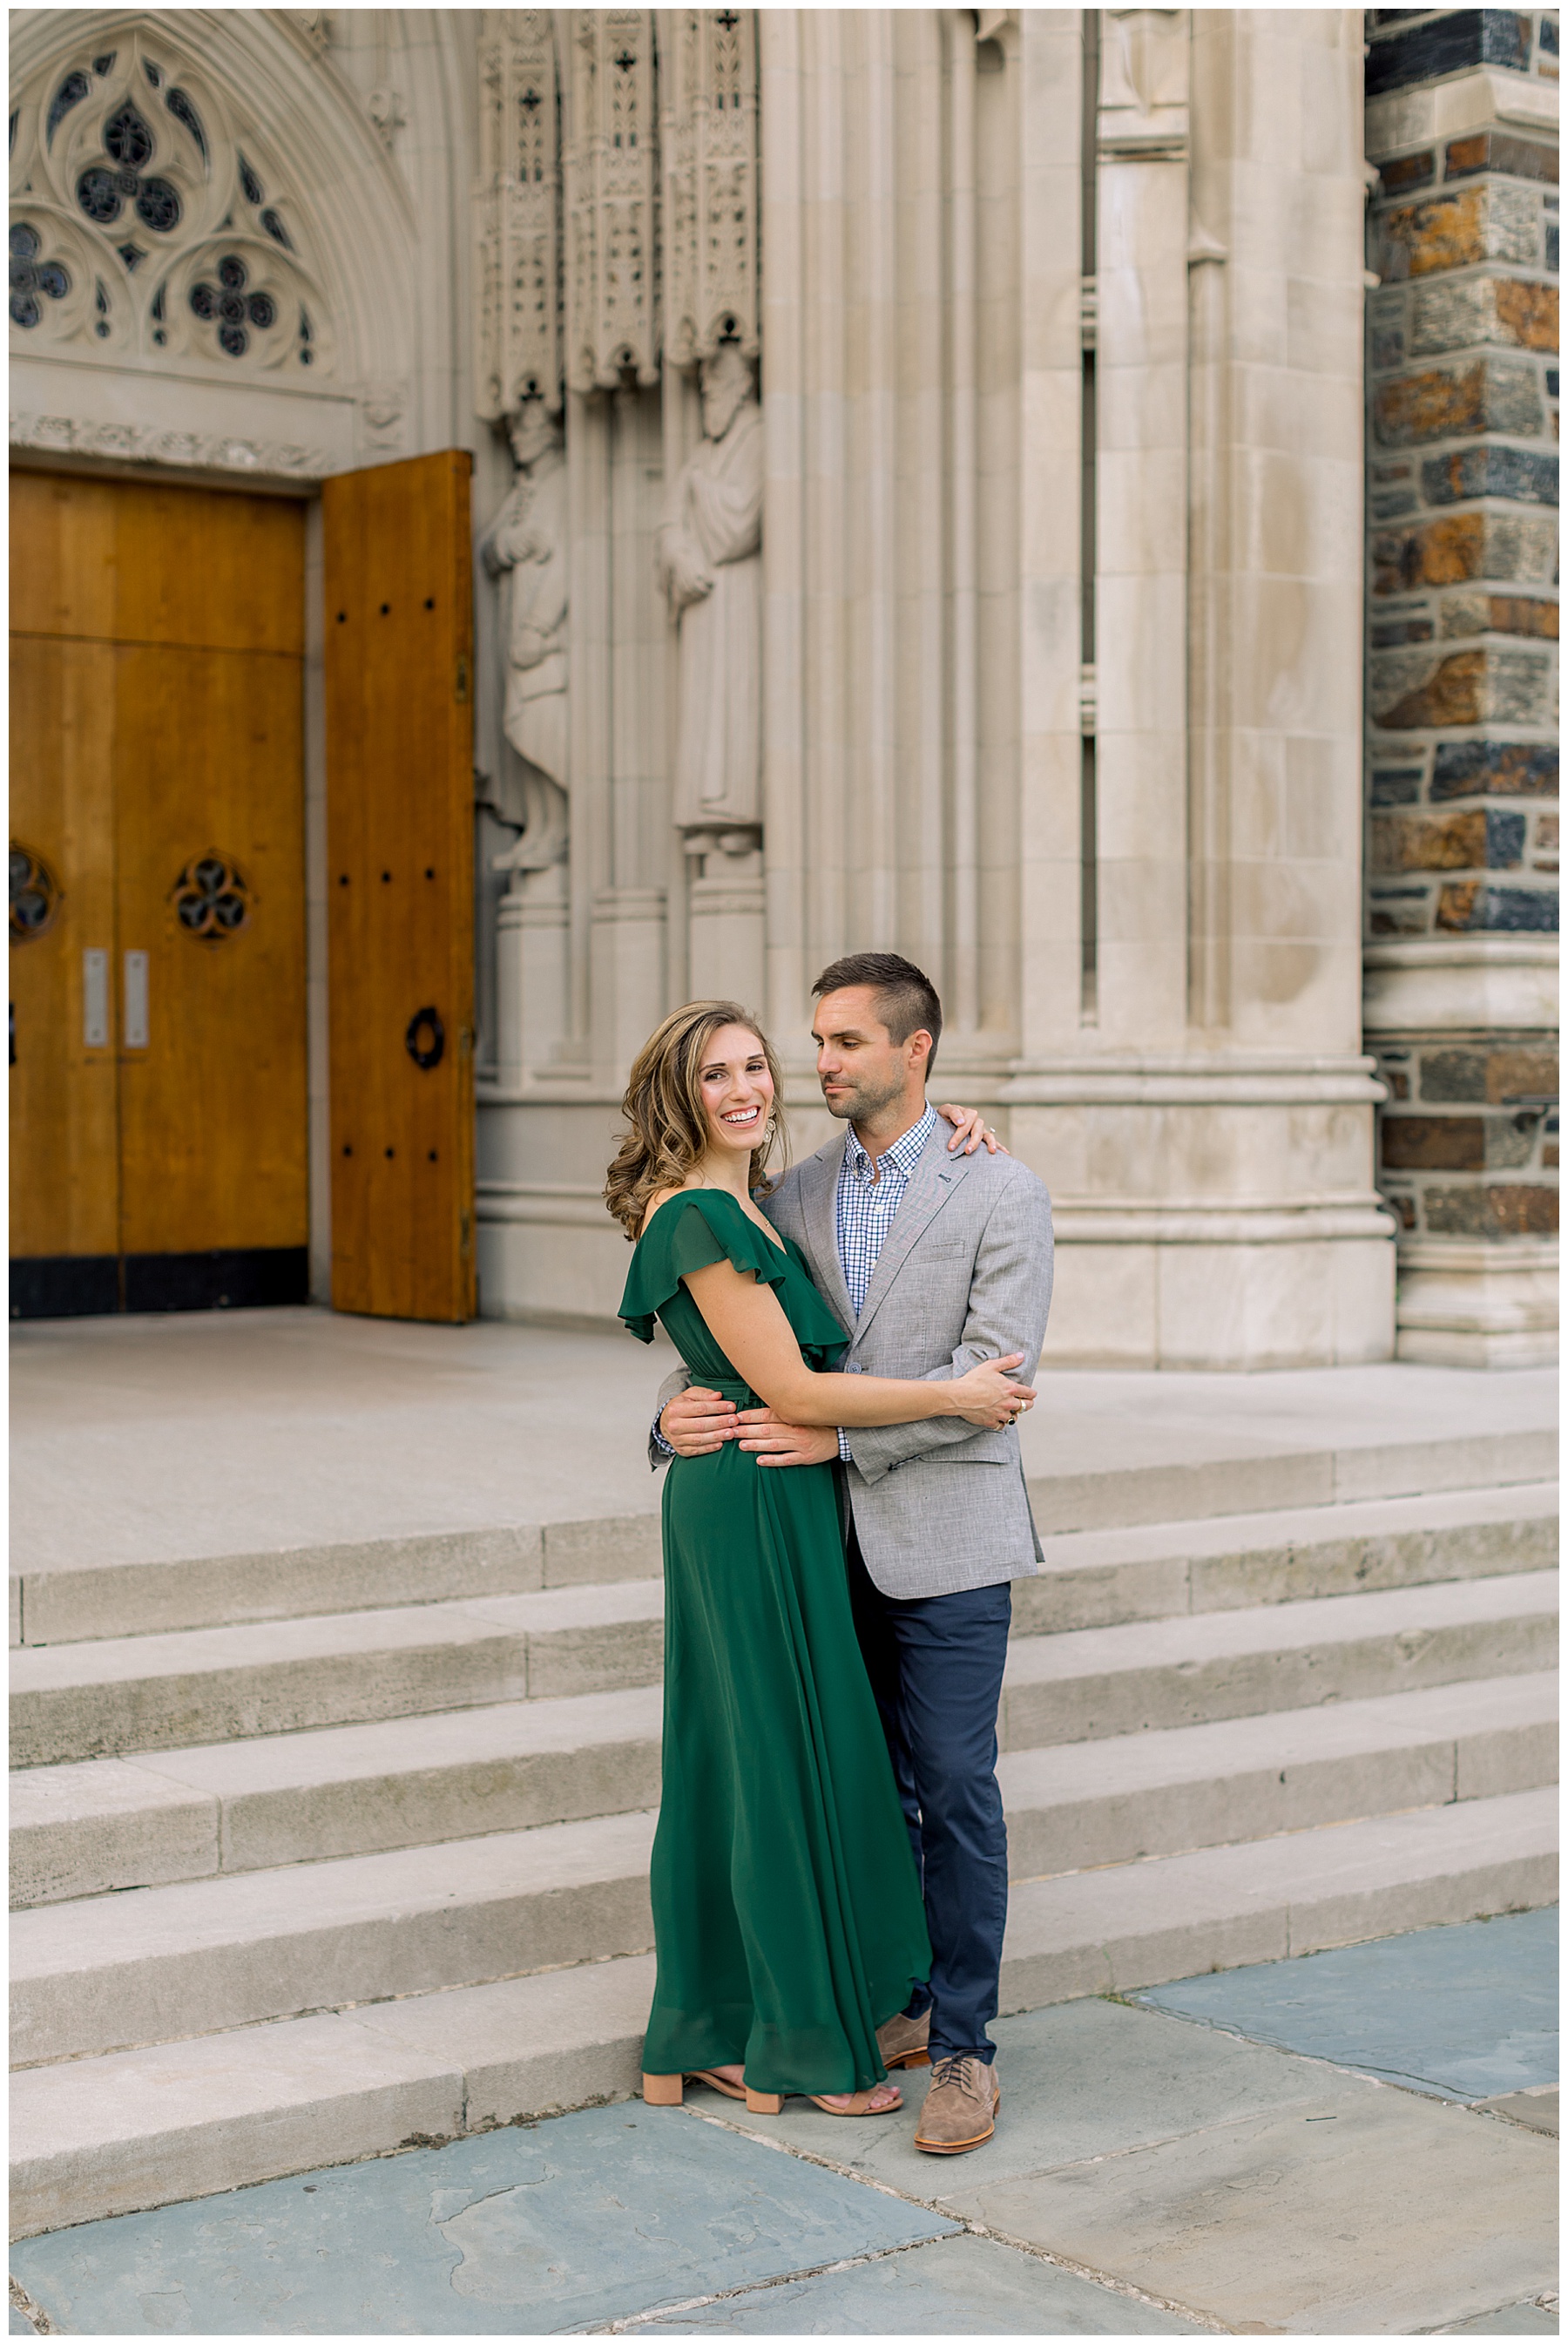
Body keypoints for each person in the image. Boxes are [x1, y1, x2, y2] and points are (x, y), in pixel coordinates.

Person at [607, 1000, 1036, 2124]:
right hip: (789, 1514)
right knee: (777, 1767)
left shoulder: (994, 1183)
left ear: (917, 1050)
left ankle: (957, 2042)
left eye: (835, 1045)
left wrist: (839, 1427)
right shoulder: (772, 1195)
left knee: (940, 1784)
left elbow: (990, 1368)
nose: (799, 1071)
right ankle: (798, 2015)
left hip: (930, 1531)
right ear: (678, 1091)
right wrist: (671, 1423)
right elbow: (750, 1367)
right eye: (728, 1069)